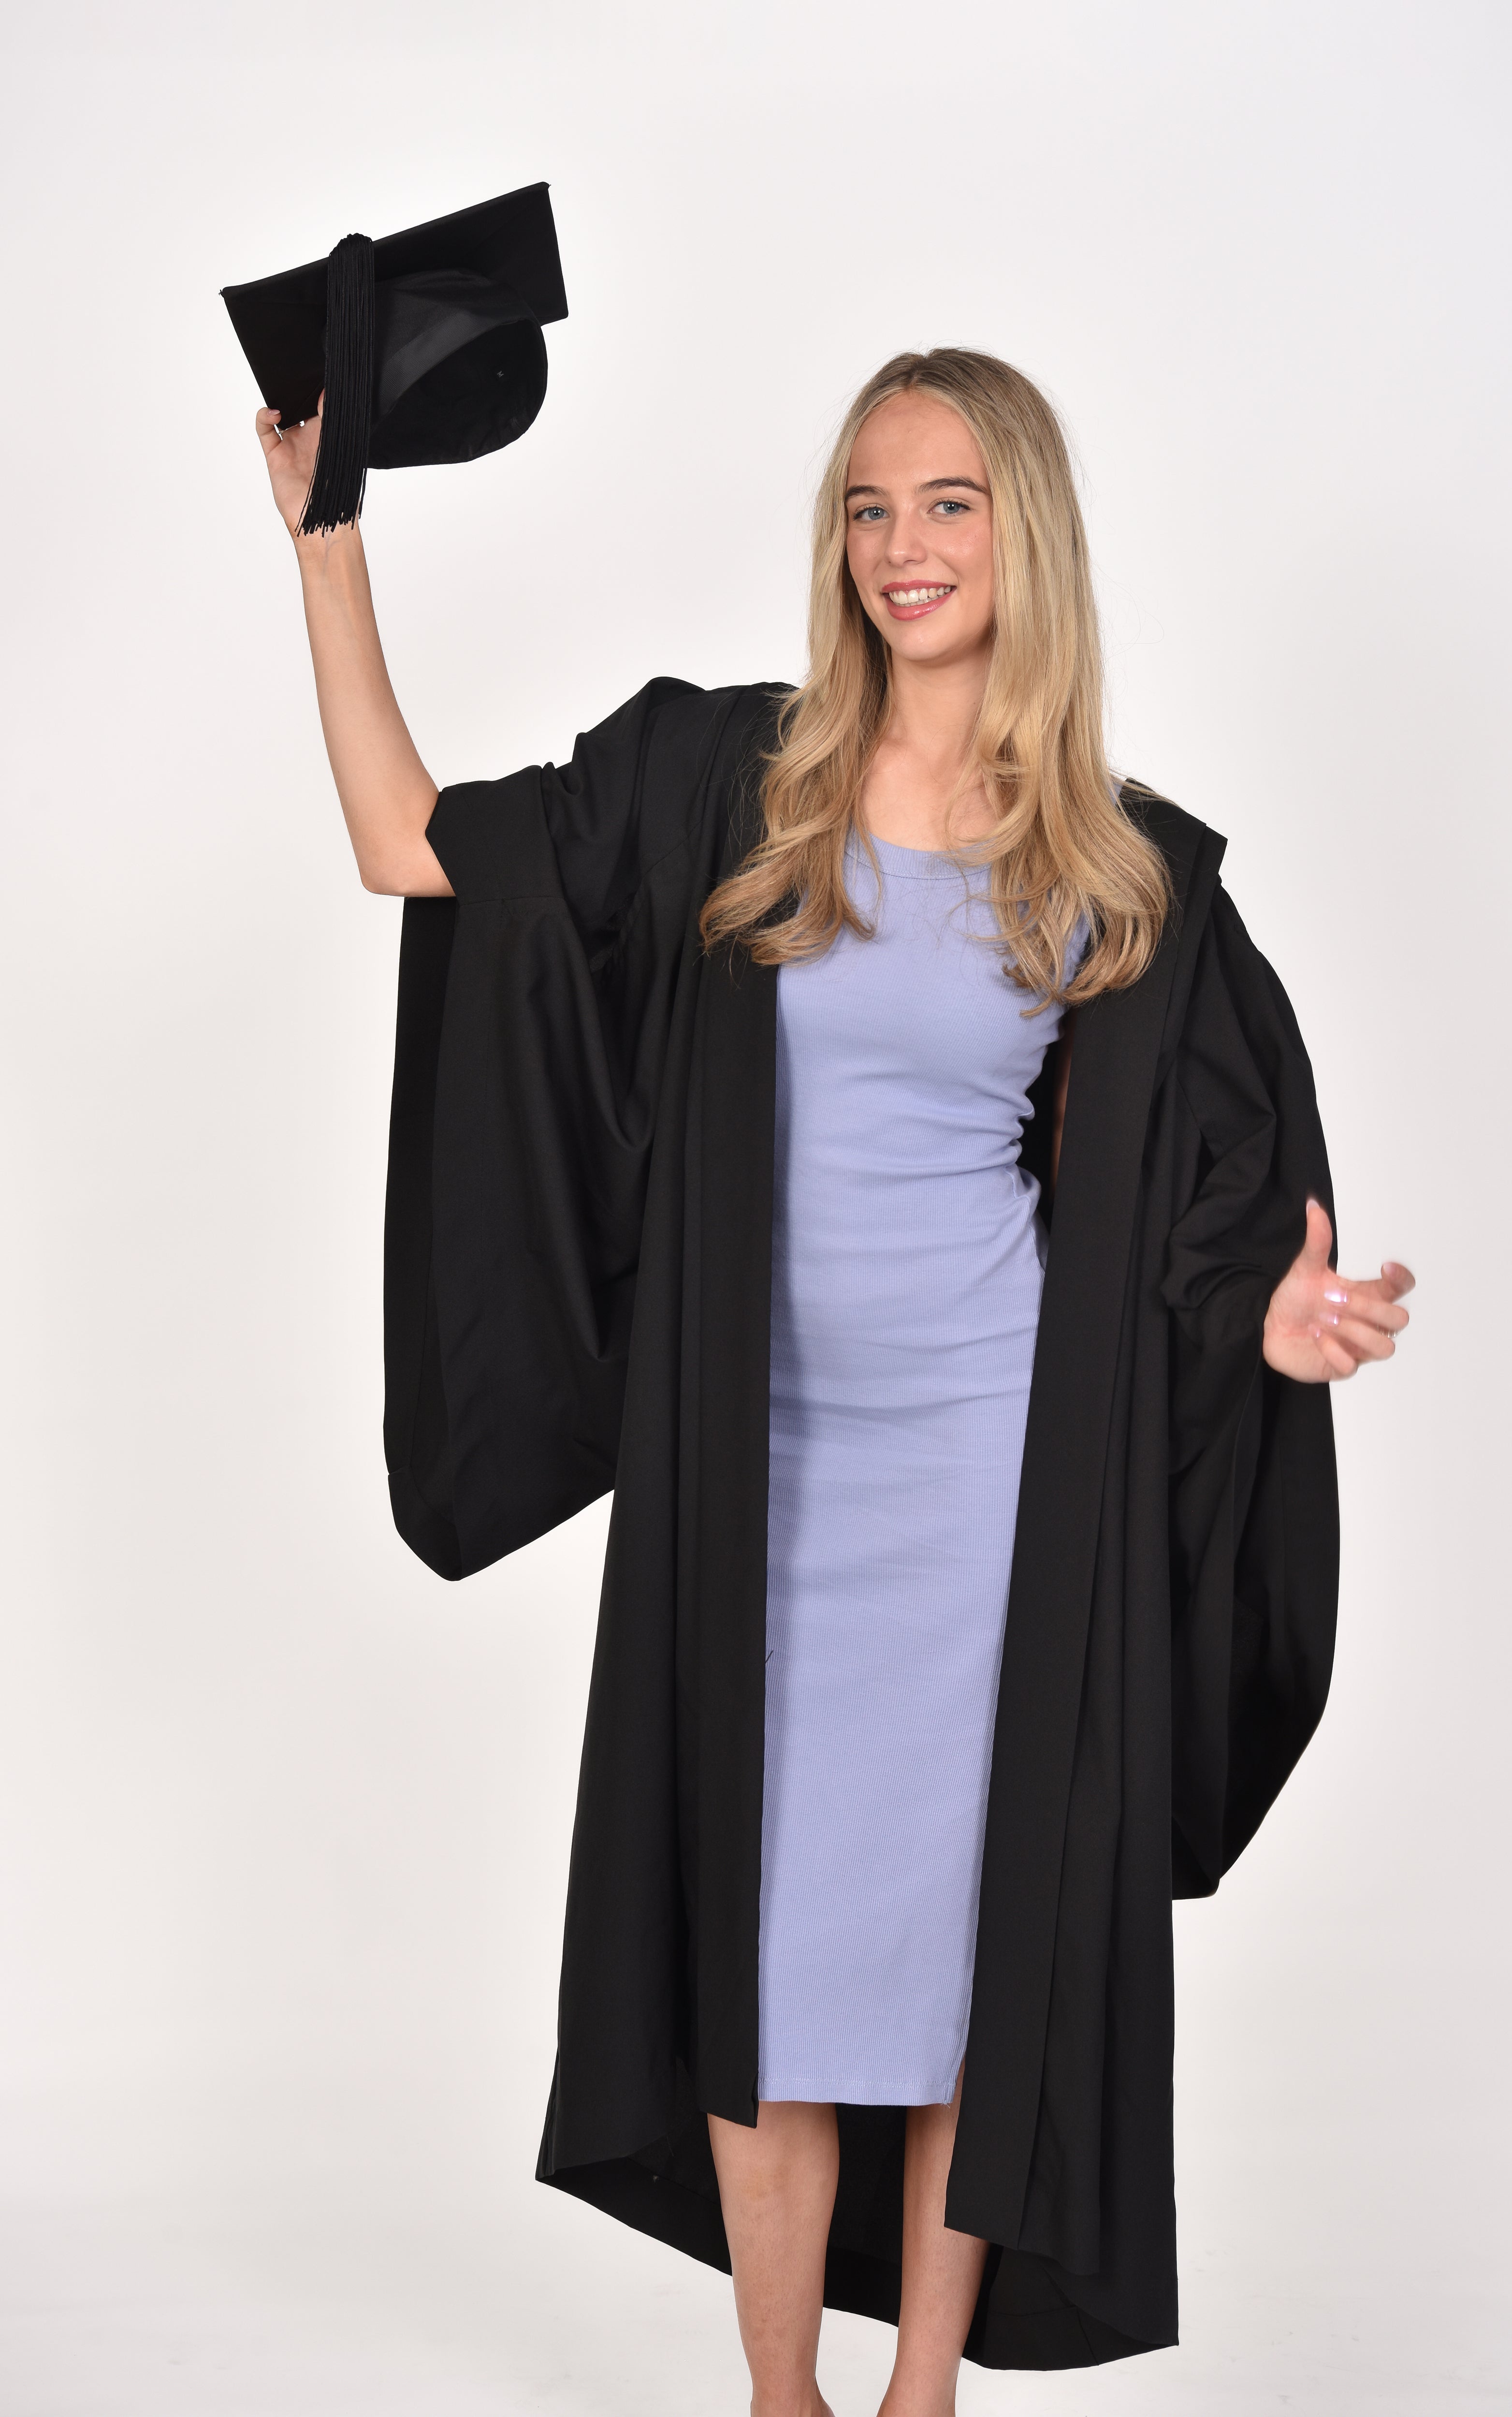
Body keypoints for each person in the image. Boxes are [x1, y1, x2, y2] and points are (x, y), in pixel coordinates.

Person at [258, 347, 1412, 2416]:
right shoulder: (725, 781)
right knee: (763, 1947)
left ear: (1024, 530)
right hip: (757, 1480)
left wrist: (1276, 1323)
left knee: (970, 1957)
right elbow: (407, 847)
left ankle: (923, 2390)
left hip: (989, 1488)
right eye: (871, 509)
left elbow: (1207, 1215)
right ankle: (782, 2391)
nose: (903, 547)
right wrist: (329, 542)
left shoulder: (1118, 866)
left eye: (950, 503)